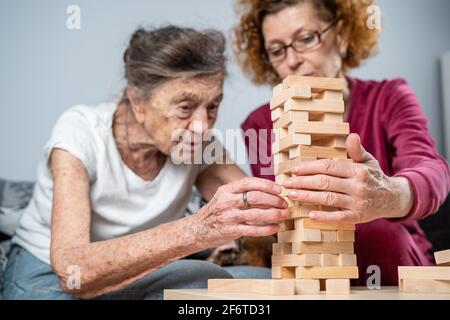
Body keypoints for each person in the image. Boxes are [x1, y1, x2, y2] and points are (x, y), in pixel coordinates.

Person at [2, 26, 290, 300]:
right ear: (137, 100)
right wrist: (198, 229)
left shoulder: (200, 144)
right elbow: (72, 270)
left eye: (212, 106)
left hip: (138, 274)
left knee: (262, 282)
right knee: (198, 278)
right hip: (47, 274)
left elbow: (264, 208)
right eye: (185, 107)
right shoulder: (80, 132)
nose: (202, 126)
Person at [234, 0, 450, 285]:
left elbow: (430, 169)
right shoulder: (260, 122)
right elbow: (287, 222)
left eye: (306, 38)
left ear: (342, 35)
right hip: (316, 271)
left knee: (377, 233)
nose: (292, 60)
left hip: (392, 258)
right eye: (277, 50)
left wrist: (388, 194)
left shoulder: (389, 96)